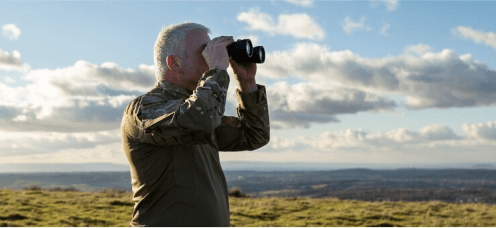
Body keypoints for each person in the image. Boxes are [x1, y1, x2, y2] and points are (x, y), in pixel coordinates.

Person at [121, 22, 270, 227]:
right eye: (205, 52)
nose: (213, 59)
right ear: (174, 62)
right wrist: (217, 70)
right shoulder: (144, 109)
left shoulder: (199, 109)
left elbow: (254, 135)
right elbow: (197, 121)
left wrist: (247, 84)